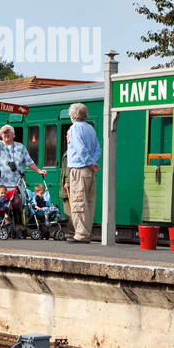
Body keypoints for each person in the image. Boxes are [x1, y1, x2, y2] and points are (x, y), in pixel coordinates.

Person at [0, 124, 47, 230]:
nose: (6, 134)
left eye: (8, 132)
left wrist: (38, 170)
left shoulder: (20, 147)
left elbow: (29, 162)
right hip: (0, 184)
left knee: (17, 203)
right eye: (4, 133)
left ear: (14, 135)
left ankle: (17, 225)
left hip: (16, 183)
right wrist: (1, 131)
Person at [64, 103, 102, 244]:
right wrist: (93, 162)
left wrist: (88, 162)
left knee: (79, 202)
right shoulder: (90, 128)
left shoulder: (74, 129)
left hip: (79, 170)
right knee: (89, 203)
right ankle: (86, 232)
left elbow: (80, 148)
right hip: (90, 172)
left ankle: (81, 235)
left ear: (73, 115)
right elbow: (98, 149)